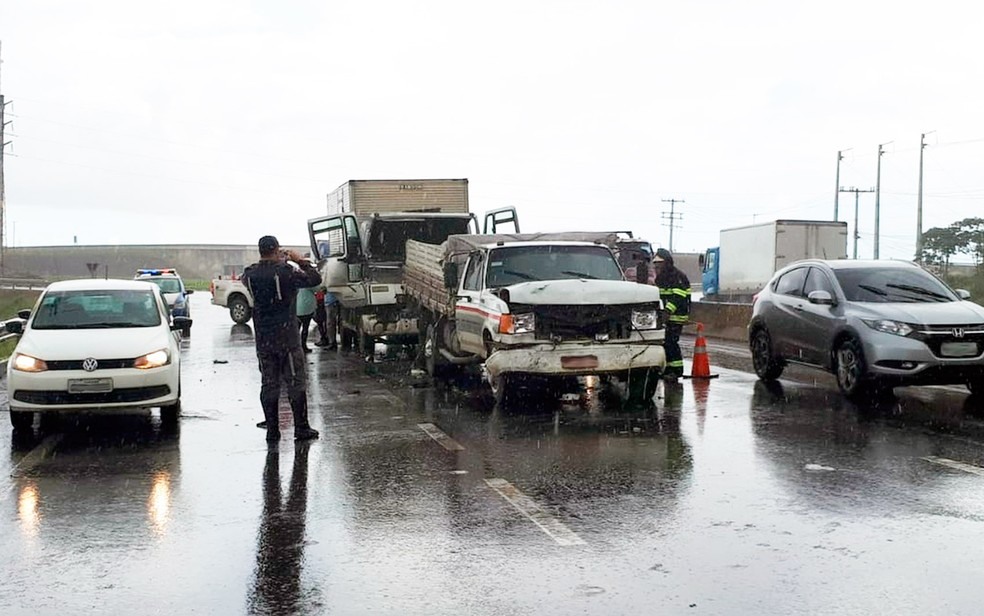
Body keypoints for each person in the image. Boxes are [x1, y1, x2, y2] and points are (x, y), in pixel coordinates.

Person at [242, 236, 322, 442]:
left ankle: (272, 429)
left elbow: (253, 280)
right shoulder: (286, 273)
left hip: (264, 338)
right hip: (287, 338)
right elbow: (315, 279)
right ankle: (301, 427)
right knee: (295, 383)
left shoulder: (250, 274)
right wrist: (299, 260)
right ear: (277, 250)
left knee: (269, 384)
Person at [653, 247, 691, 382]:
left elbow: (678, 296)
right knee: (665, 343)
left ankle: (676, 370)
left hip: (676, 316)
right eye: (655, 265)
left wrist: (667, 311)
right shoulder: (660, 278)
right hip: (665, 317)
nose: (657, 267)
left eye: (660, 264)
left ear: (667, 263)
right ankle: (668, 369)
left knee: (671, 342)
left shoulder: (677, 276)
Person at [296, 271, 316, 353]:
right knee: (305, 328)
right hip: (307, 308)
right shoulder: (308, 284)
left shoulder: (296, 283)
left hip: (297, 308)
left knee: (297, 329)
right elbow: (317, 288)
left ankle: (296, 346)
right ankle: (303, 346)